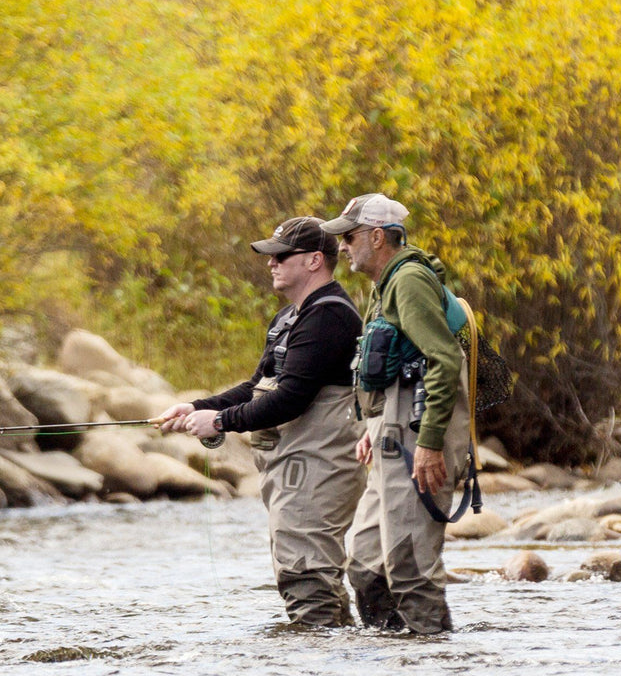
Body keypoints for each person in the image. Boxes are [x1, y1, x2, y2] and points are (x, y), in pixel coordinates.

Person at [154, 217, 364, 628]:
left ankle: (313, 661)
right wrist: (196, 406)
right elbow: (258, 387)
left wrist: (220, 421)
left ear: (314, 261)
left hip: (320, 465)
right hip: (295, 464)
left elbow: (290, 399)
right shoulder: (289, 318)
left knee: (304, 570)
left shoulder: (330, 318)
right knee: (311, 567)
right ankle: (334, 655)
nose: (270, 263)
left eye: (281, 255)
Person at [321, 193, 471, 634]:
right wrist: (374, 424)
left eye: (349, 237)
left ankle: (433, 661)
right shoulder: (382, 284)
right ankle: (392, 657)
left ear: (378, 235)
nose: (343, 247)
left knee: (410, 571)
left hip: (417, 436)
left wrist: (428, 445)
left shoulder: (408, 281)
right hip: (391, 430)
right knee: (366, 568)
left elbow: (443, 360)